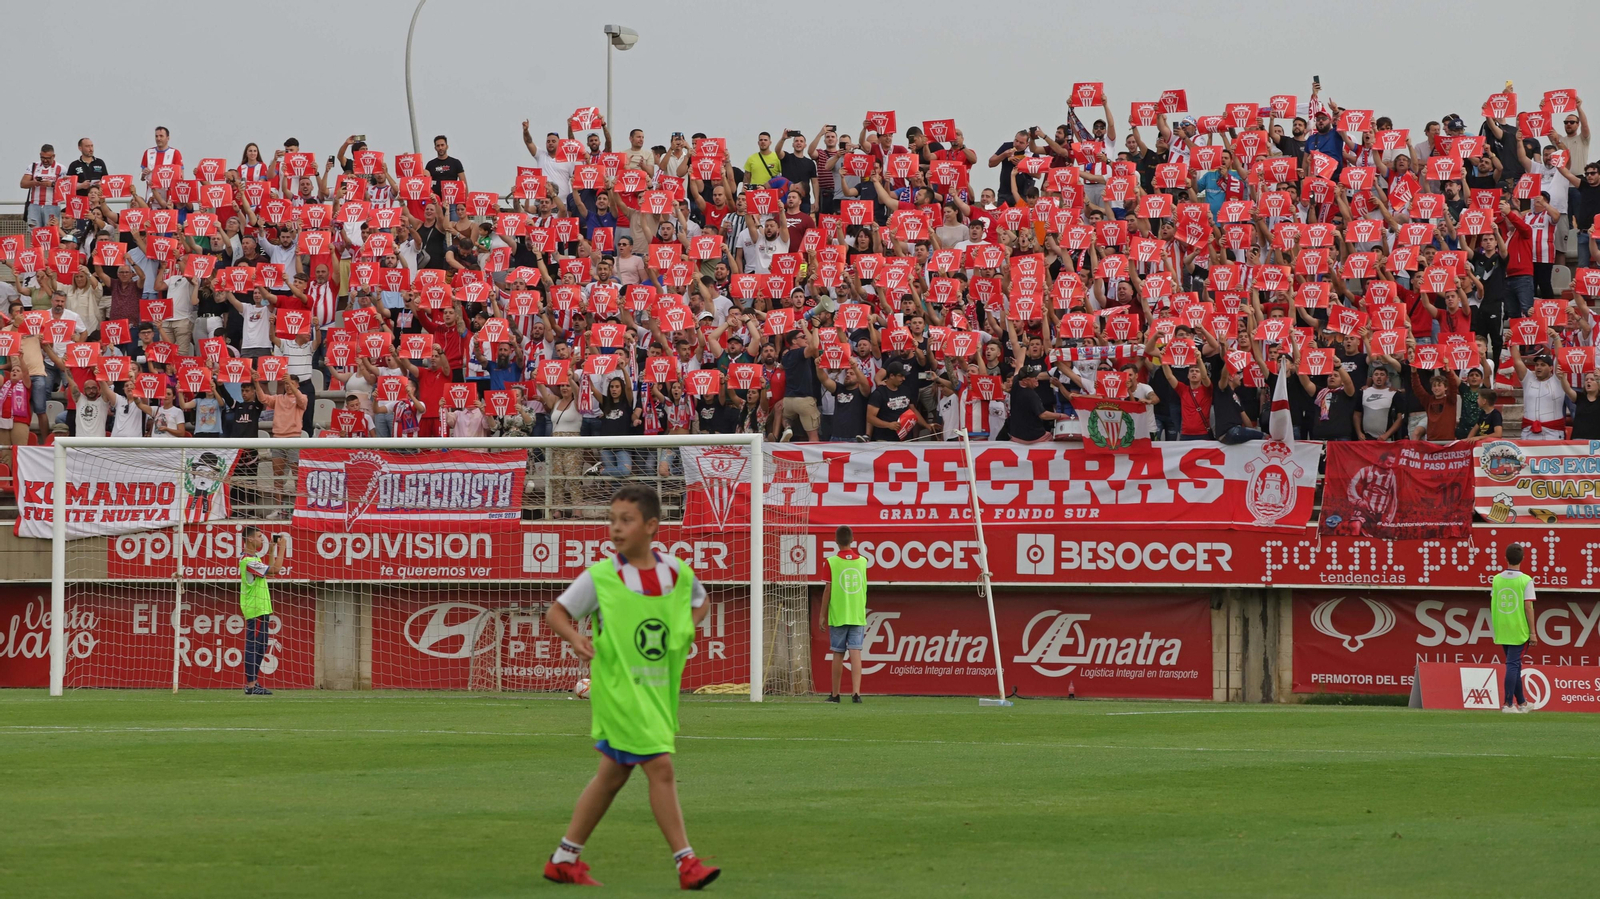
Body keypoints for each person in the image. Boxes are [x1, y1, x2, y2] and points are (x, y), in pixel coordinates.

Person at [542, 484, 720, 890]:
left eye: (626, 520)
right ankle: (686, 863)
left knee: (613, 776)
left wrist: (686, 629)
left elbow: (700, 600)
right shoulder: (602, 577)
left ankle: (564, 858)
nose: (616, 529)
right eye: (612, 520)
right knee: (660, 767)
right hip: (618, 691)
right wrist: (575, 639)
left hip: (656, 692)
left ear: (652, 526)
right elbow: (557, 612)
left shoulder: (675, 571)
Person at [817, 525, 869, 704]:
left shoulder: (831, 562)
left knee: (838, 653)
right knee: (856, 652)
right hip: (856, 614)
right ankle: (856, 693)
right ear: (852, 540)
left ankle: (836, 694)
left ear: (836, 541)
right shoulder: (862, 561)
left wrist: (822, 614)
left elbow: (828, 590)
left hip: (839, 614)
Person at [1490, 544, 1537, 714]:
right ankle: (1508, 704)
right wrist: (1532, 632)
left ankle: (1522, 703)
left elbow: (1495, 601)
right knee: (1512, 665)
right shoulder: (1526, 580)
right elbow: (1528, 607)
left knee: (1515, 665)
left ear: (1505, 558)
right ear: (1523, 559)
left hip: (1502, 627)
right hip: (1519, 629)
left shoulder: (1496, 579)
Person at [238, 526, 286, 696]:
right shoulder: (247, 561)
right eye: (259, 536)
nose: (262, 539)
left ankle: (254, 683)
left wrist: (272, 551)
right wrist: (283, 548)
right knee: (253, 646)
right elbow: (275, 571)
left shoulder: (254, 558)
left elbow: (270, 571)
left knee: (262, 646)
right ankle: (251, 685)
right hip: (255, 609)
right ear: (250, 539)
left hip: (262, 608)